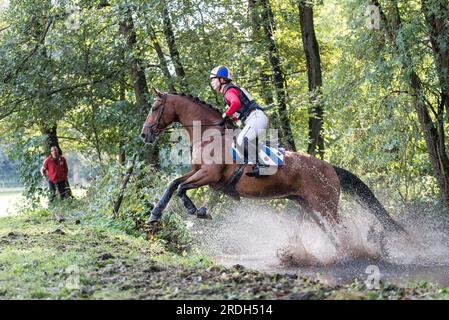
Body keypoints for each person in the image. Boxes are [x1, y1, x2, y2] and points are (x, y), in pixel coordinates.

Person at [210, 65, 268, 177]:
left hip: (255, 117)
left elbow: (235, 103)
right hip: (254, 118)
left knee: (241, 140)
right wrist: (232, 118)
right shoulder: (231, 89)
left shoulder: (229, 91)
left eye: (213, 79)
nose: (212, 83)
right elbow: (239, 110)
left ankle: (262, 166)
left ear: (222, 80)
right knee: (240, 141)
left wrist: (226, 115)